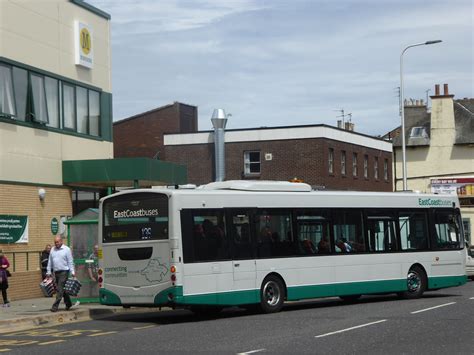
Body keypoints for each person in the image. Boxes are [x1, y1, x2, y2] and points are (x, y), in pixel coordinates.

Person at [46, 236, 76, 312]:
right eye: (55, 242)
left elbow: (70, 261)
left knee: (59, 289)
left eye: (57, 242)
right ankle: (68, 303)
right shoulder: (53, 249)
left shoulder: (66, 249)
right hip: (56, 272)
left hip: (64, 272)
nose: (56, 244)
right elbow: (50, 262)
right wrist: (48, 272)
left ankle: (55, 306)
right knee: (62, 289)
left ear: (61, 241)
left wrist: (72, 271)